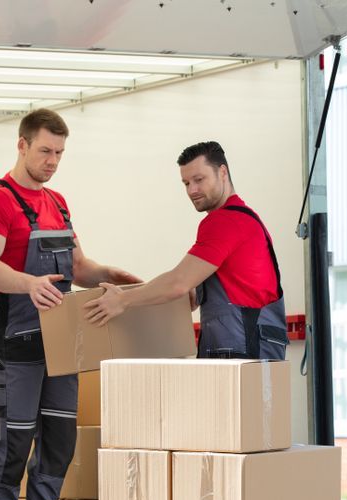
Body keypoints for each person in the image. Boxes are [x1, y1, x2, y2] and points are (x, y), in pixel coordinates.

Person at [0, 109, 139, 500]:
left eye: (60, 153)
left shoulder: (59, 203)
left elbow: (78, 267)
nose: (52, 161)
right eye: (45, 151)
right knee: (13, 447)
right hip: (14, 343)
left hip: (61, 344)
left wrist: (107, 274)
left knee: (60, 444)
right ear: (22, 145)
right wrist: (26, 283)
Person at [84, 141, 286, 361]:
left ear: (223, 172)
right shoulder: (247, 218)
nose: (192, 190)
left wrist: (122, 300)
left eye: (199, 180)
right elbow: (231, 286)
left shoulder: (225, 221)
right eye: (186, 183)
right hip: (256, 347)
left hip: (240, 350)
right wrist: (195, 294)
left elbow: (178, 282)